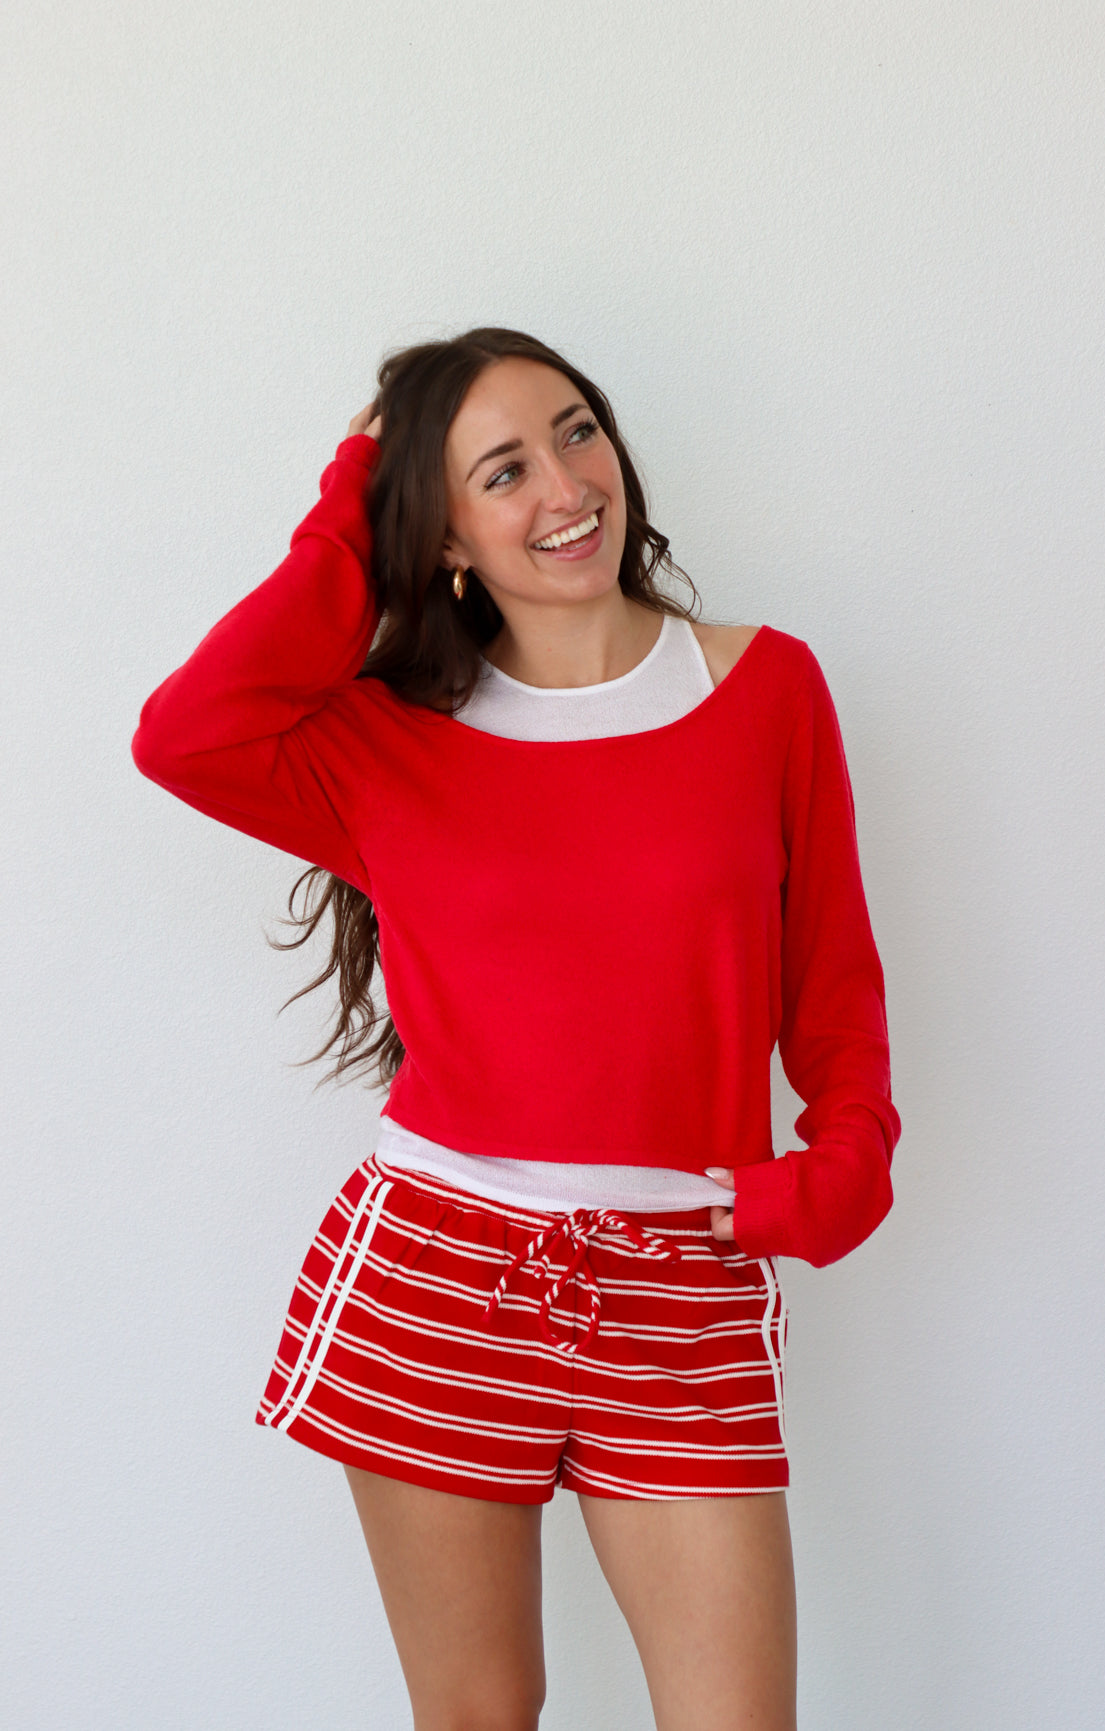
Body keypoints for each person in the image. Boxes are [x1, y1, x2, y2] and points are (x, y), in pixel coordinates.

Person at [131, 326, 900, 1731]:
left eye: (576, 432)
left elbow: (834, 984)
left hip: (683, 1276)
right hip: (439, 1273)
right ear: (439, 539)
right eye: (499, 470)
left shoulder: (763, 690)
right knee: (479, 1714)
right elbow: (186, 734)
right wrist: (357, 492)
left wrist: (839, 1169)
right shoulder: (375, 742)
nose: (564, 486)